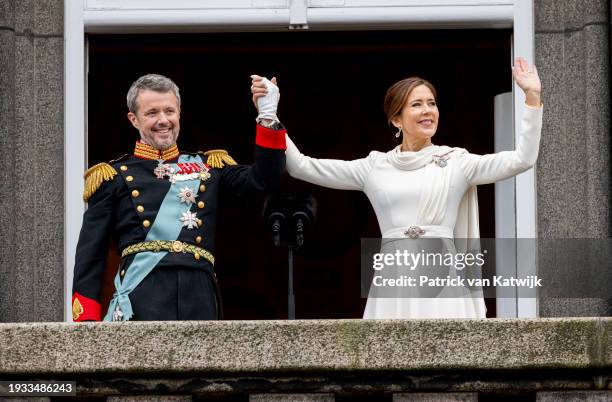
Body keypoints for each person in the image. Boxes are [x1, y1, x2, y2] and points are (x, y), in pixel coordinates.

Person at [251, 58, 542, 319]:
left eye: (432, 103)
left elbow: (522, 159)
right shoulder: (375, 167)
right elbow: (302, 166)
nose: (428, 111)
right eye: (417, 104)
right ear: (396, 119)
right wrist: (269, 115)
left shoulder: (457, 162)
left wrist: (532, 96)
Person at [72, 73, 286, 322]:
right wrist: (86, 325)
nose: (163, 120)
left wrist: (268, 116)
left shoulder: (209, 166)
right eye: (152, 113)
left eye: (169, 111)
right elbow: (90, 256)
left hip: (198, 294)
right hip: (141, 294)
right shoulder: (113, 177)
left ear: (179, 113)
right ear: (133, 119)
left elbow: (263, 180)